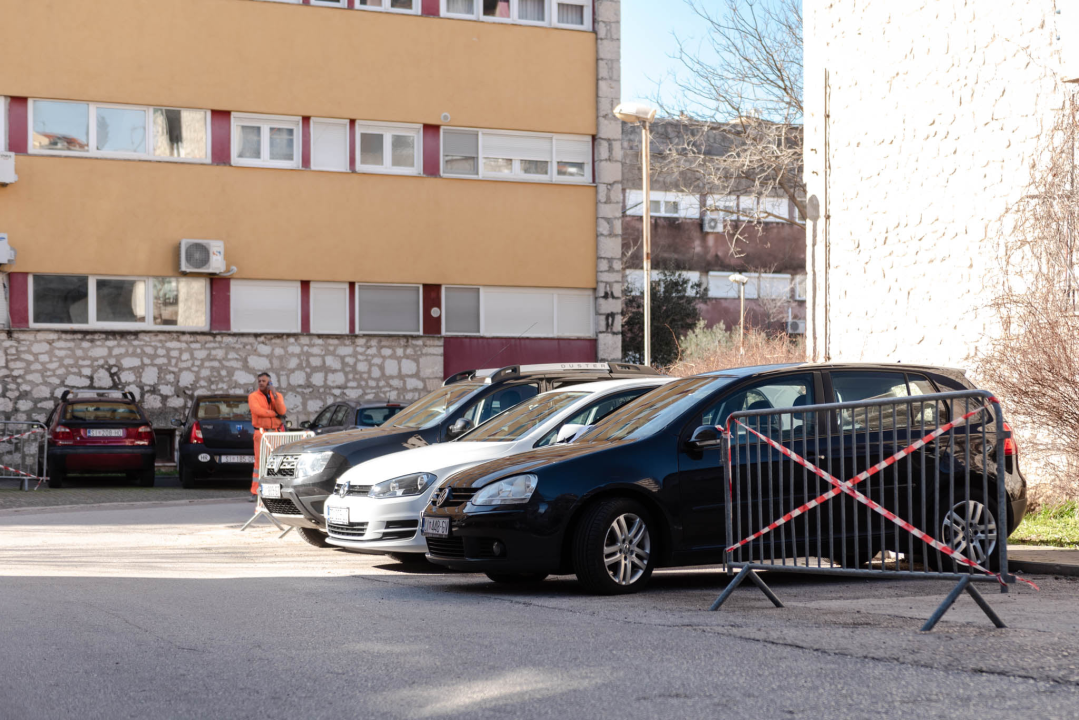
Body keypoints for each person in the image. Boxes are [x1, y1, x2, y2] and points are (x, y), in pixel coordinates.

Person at [248, 372, 287, 501]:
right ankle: (255, 491)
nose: (261, 383)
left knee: (277, 461)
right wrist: (273, 414)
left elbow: (282, 411)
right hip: (261, 433)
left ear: (269, 383)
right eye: (259, 381)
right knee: (259, 462)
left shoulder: (277, 396)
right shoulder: (253, 396)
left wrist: (274, 395)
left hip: (276, 432)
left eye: (263, 381)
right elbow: (257, 411)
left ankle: (276, 490)